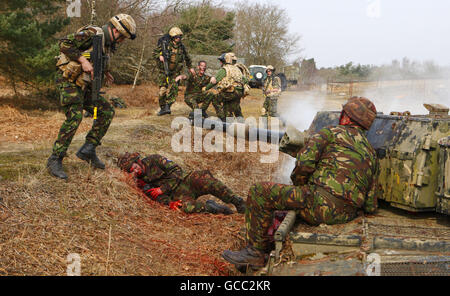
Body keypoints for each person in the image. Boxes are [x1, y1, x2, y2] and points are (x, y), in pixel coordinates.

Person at [222, 97, 380, 270]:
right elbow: (371, 204)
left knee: (259, 191)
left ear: (346, 117)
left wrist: (301, 186)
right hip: (346, 214)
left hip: (318, 205)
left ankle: (255, 254)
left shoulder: (329, 133)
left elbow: (304, 165)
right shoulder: (372, 154)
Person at [47, 14, 137, 180]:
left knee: (106, 111)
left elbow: (97, 58)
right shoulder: (92, 33)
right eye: (122, 37)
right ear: (116, 30)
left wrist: (106, 72)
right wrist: (82, 60)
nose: (122, 41)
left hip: (86, 83)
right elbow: (64, 43)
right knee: (75, 116)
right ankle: (55, 159)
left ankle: (88, 149)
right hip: (69, 81)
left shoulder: (108, 44)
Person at [117, 153, 246, 215]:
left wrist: (163, 188)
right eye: (131, 171)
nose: (135, 171)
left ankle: (237, 201)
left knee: (207, 181)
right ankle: (214, 208)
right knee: (186, 208)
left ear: (138, 161)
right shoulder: (141, 182)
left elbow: (177, 170)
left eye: (134, 167)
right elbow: (156, 197)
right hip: (178, 194)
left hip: (186, 181)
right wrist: (169, 203)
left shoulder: (155, 159)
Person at [153, 27, 195, 116]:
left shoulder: (182, 47)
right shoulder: (165, 44)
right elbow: (154, 53)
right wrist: (159, 56)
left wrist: (190, 67)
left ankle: (168, 105)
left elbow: (187, 58)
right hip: (164, 71)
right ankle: (163, 108)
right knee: (162, 91)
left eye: (179, 37)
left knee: (174, 88)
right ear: (172, 37)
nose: (178, 39)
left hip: (175, 72)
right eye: (176, 37)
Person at [203, 53, 245, 121]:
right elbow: (245, 80)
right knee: (234, 108)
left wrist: (206, 88)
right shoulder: (238, 70)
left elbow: (215, 81)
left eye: (221, 61)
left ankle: (222, 119)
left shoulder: (224, 69)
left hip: (231, 92)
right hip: (239, 92)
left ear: (225, 61)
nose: (220, 63)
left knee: (215, 98)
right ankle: (242, 124)